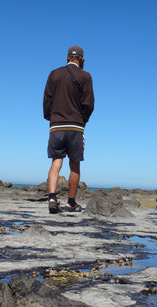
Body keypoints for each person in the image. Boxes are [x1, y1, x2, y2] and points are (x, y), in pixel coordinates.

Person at [43, 45, 95, 214]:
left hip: (56, 125)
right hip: (75, 126)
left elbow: (47, 100)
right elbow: (88, 104)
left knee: (56, 161)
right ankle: (71, 203)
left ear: (66, 58)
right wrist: (83, 120)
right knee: (75, 164)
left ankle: (52, 198)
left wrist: (50, 117)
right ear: (82, 59)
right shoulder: (86, 76)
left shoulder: (54, 74)